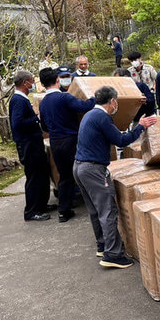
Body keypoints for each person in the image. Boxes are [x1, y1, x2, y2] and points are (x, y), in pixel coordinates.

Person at [74, 86, 157, 268]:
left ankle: (103, 246)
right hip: (93, 169)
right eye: (116, 102)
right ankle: (113, 255)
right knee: (107, 211)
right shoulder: (102, 117)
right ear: (112, 101)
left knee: (96, 210)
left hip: (80, 167)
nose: (116, 105)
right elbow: (121, 141)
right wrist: (140, 127)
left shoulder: (90, 114)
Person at [38, 67, 96, 223]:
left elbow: (44, 127)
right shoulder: (65, 98)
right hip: (71, 139)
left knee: (64, 175)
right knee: (82, 171)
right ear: (57, 80)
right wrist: (94, 97)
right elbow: (85, 106)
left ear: (42, 84)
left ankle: (64, 210)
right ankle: (93, 202)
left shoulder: (43, 103)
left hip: (55, 141)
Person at [8, 70, 55, 222]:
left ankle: (41, 205)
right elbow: (17, 123)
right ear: (24, 83)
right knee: (34, 177)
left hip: (34, 142)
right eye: (31, 81)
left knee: (42, 174)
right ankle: (31, 211)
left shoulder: (22, 99)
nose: (33, 84)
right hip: (27, 144)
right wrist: (36, 118)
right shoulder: (18, 100)